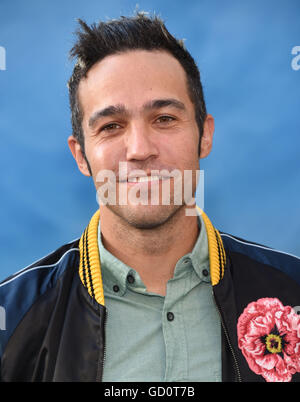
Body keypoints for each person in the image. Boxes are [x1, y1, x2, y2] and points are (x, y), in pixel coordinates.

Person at [0, 13, 300, 383]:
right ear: (80, 156)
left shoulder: (292, 292)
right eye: (111, 126)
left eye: (164, 119)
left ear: (204, 135)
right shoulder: (10, 320)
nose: (140, 150)